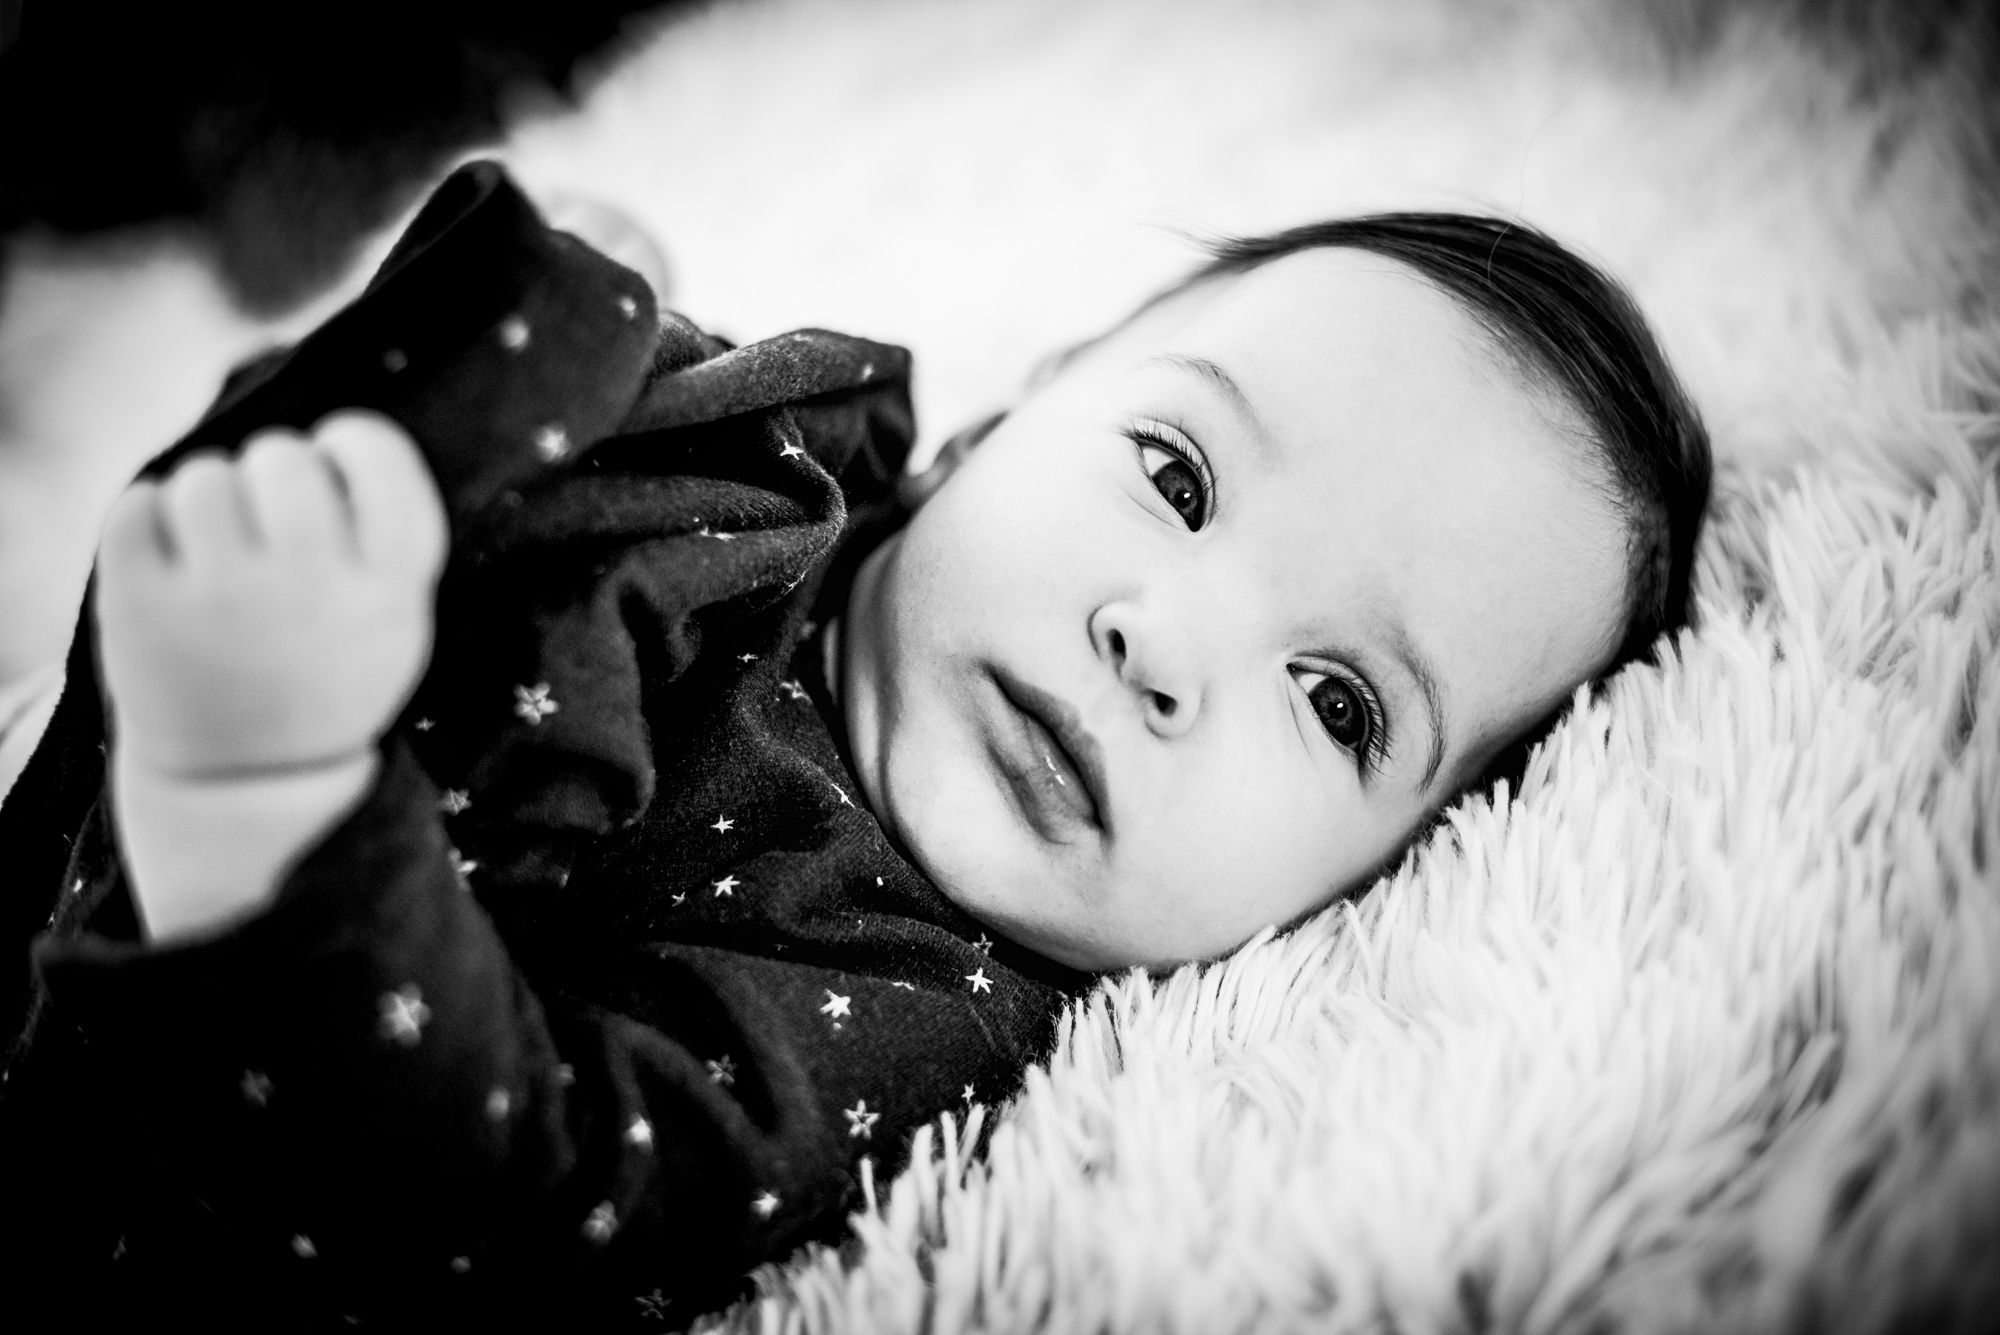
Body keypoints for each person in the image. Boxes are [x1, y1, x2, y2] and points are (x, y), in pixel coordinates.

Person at [0, 162, 1708, 1328]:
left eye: (1341, 704)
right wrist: (516, 331)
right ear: (997, 421)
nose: (1164, 644)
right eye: (1177, 477)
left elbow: (513, 1209)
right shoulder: (775, 451)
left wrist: (274, 802)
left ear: (1387, 875)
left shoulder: (899, 1002)